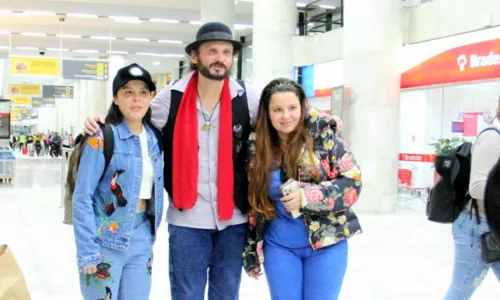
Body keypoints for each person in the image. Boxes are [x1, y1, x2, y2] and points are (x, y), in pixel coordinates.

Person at [83, 22, 260, 300]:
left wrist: (325, 123)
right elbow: (133, 117)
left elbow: (286, 117)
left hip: (233, 219)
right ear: (194, 56)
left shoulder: (247, 97)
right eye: (212, 51)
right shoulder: (171, 98)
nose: (220, 58)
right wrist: (101, 120)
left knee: (227, 294)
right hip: (188, 220)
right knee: (186, 294)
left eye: (227, 52)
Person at [243, 78, 362, 300]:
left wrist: (308, 197)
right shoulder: (257, 144)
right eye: (277, 109)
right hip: (279, 247)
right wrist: (250, 249)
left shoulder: (324, 137)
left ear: (302, 107)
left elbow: (353, 183)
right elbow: (253, 201)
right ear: (267, 113)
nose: (286, 116)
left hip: (326, 244)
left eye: (292, 108)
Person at [73, 63, 164, 300]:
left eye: (143, 92)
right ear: (116, 98)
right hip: (104, 239)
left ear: (151, 97)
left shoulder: (155, 139)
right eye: (128, 92)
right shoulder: (101, 139)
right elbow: (82, 198)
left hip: (142, 235)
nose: (136, 99)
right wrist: (88, 252)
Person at [444, 109, 500, 299]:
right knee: (459, 294)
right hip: (477, 227)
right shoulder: (493, 137)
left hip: (494, 226)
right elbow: (476, 187)